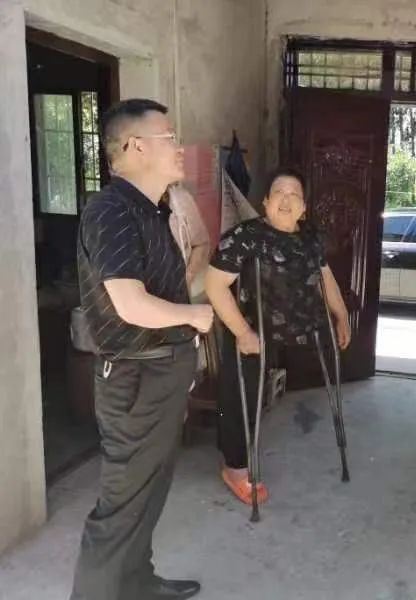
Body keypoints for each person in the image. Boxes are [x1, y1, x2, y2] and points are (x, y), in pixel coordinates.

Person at [70, 99, 213, 600]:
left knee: (151, 489)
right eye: (169, 138)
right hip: (135, 378)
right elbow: (130, 304)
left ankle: (136, 583)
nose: (179, 147)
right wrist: (192, 316)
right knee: (122, 504)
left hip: (162, 372)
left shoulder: (152, 209)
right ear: (135, 147)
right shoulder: (110, 211)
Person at [205, 167, 351, 504]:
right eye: (279, 193)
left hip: (301, 322)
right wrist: (242, 332)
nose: (286, 200)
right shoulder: (244, 236)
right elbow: (214, 285)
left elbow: (325, 276)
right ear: (266, 202)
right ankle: (235, 467)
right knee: (241, 390)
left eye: (294, 195)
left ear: (304, 207)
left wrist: (341, 314)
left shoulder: (311, 238)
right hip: (252, 324)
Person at [166, 183, 210, 290]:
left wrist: (188, 276)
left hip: (177, 291)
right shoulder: (127, 206)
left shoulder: (179, 198)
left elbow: (201, 243)